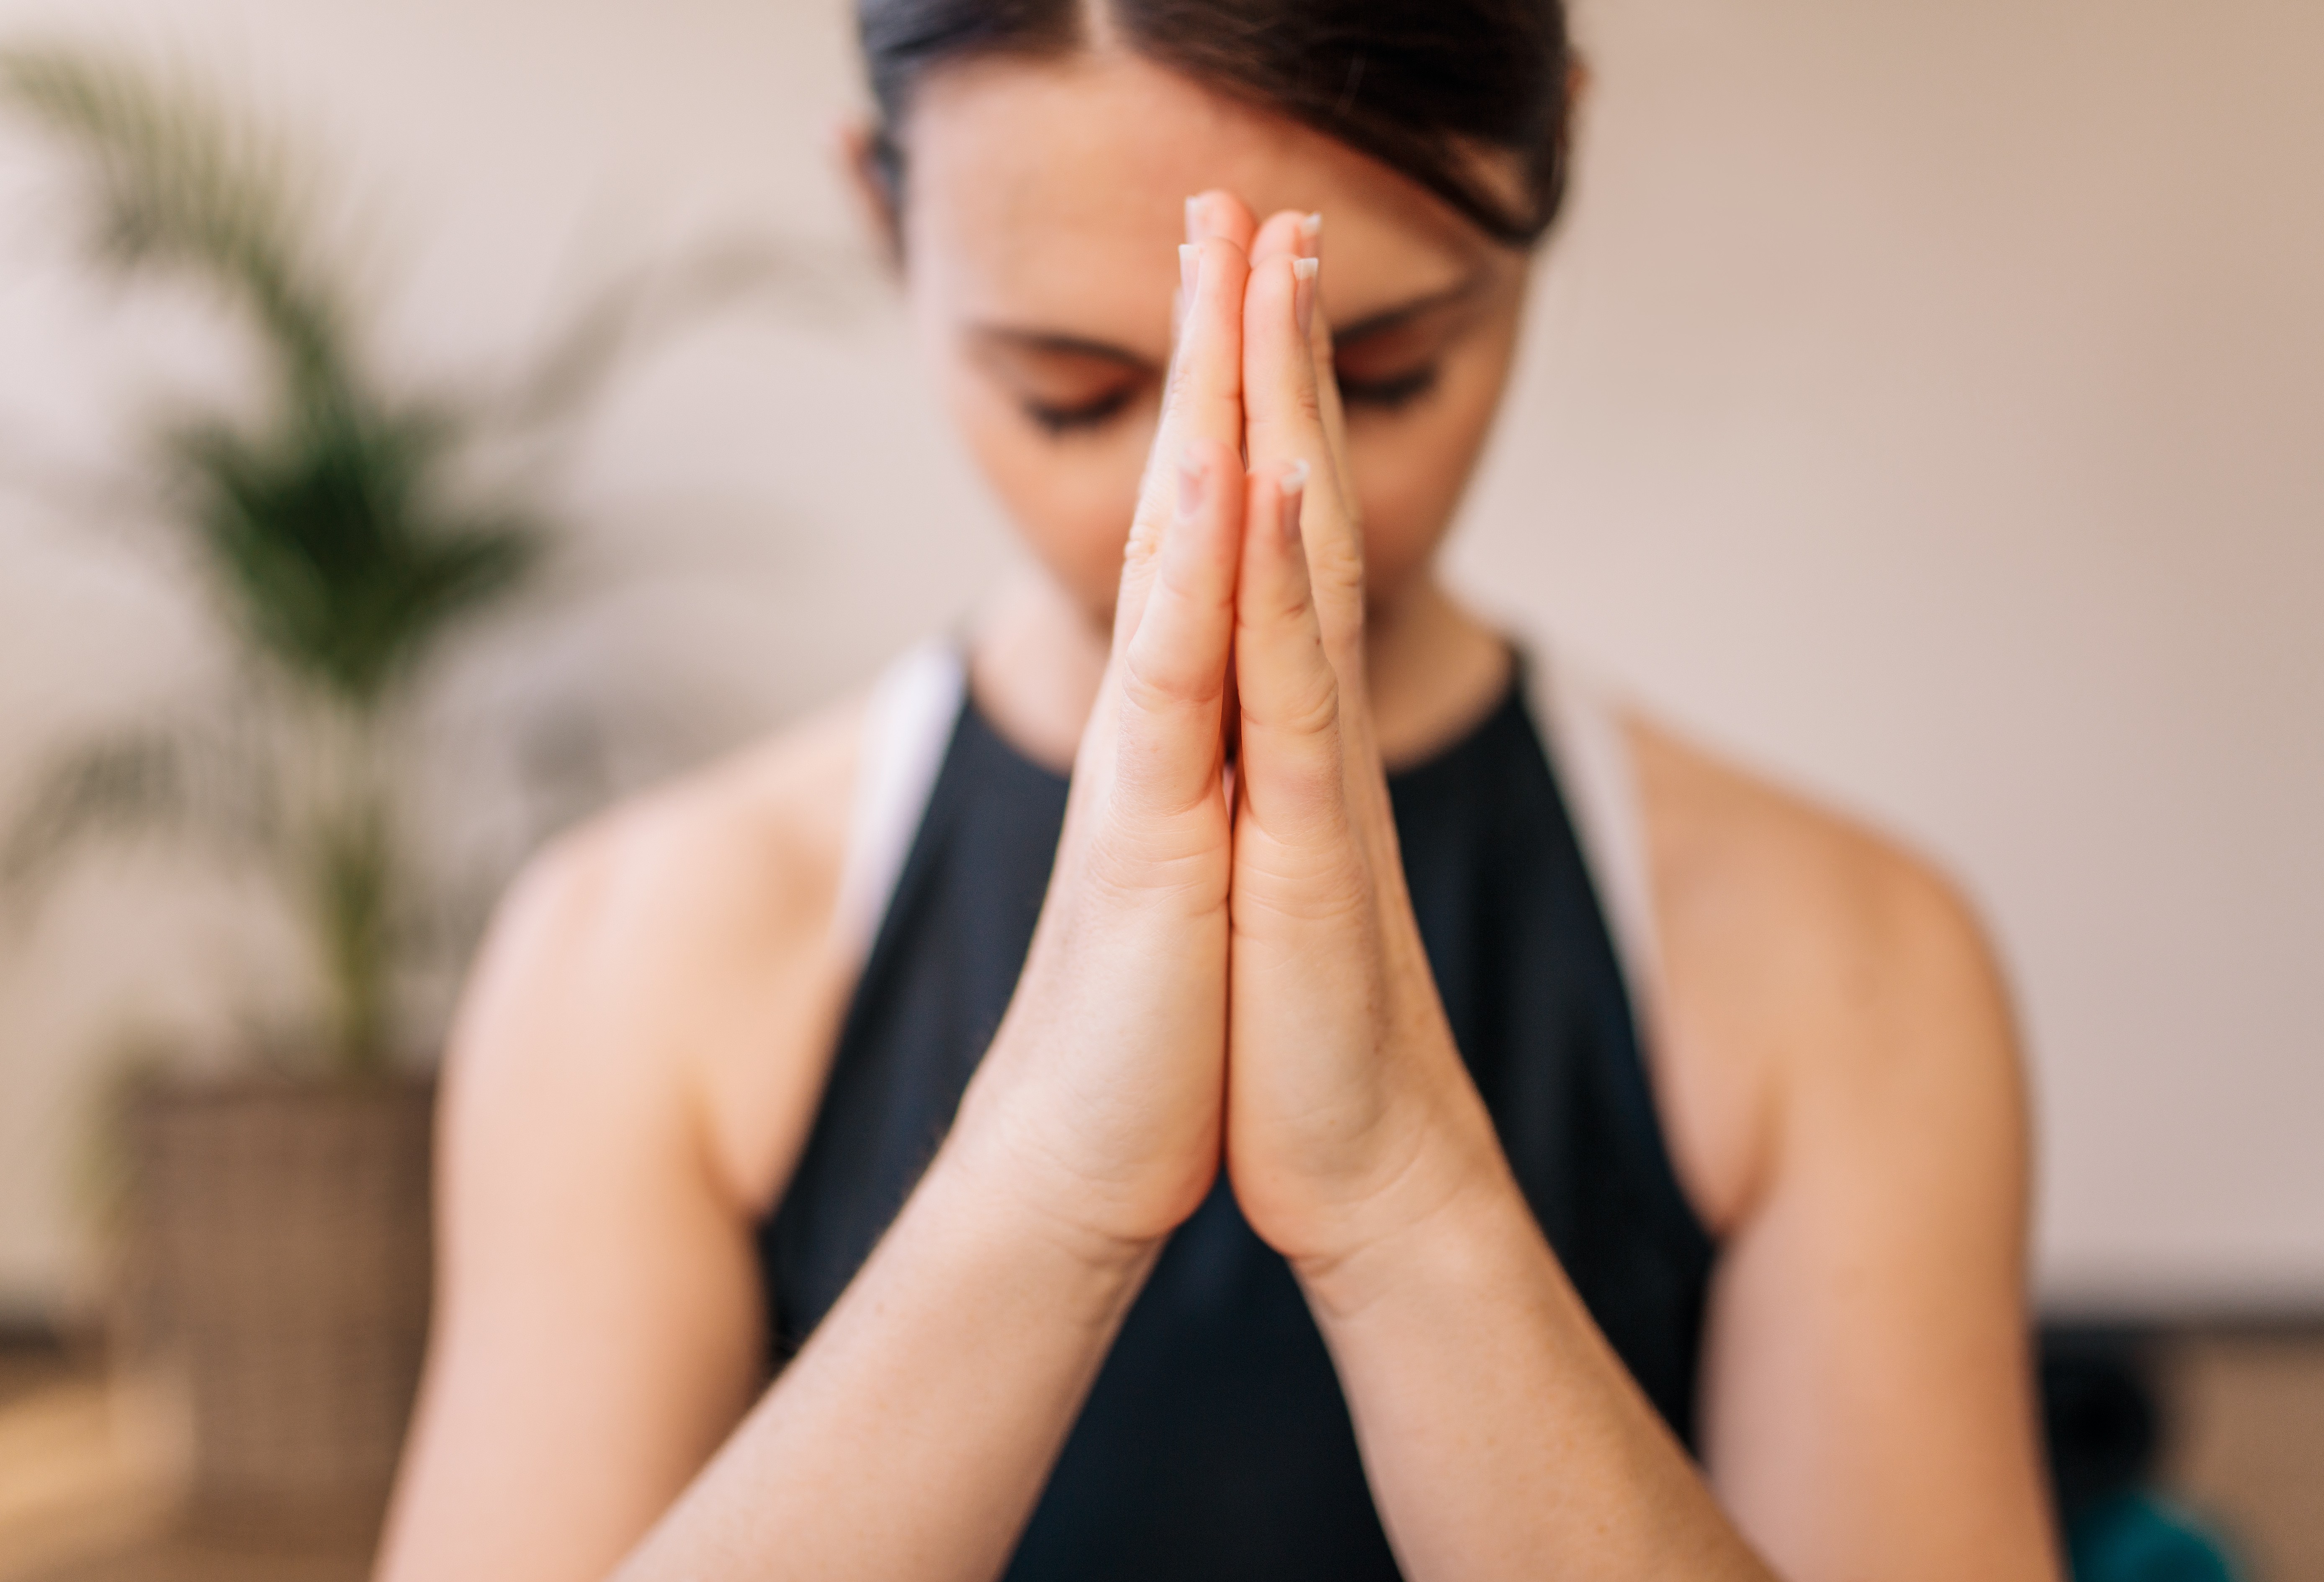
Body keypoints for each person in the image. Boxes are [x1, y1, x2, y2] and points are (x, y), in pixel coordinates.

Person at [375, 1, 2060, 1577]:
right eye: (1078, 396)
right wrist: (1042, 1193)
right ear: (886, 214)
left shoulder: (1851, 967)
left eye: (1385, 374)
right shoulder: (633, 956)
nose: (1245, 491)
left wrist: (1408, 1204)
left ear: (1555, 152)